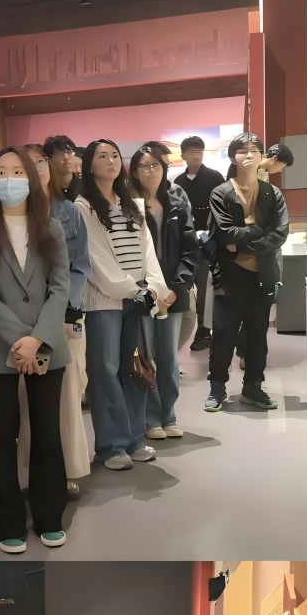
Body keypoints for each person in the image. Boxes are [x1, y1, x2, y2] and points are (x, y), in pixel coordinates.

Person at [0, 145, 72, 551]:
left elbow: (60, 287)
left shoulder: (51, 227)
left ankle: (49, 515)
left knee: (47, 432)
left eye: (17, 171)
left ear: (31, 178)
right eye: (1, 172)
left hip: (47, 343)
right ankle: (7, 520)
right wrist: (20, 338)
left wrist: (37, 338)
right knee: (0, 434)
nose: (9, 179)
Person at [70, 138, 166, 472]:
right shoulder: (82, 207)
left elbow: (148, 251)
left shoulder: (133, 204)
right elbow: (93, 257)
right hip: (104, 301)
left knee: (135, 369)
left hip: (138, 299)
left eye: (114, 155)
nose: (111, 161)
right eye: (102, 156)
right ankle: (111, 446)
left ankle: (136, 439)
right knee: (105, 371)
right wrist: (130, 289)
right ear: (89, 164)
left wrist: (152, 288)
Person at [205, 134, 286, 412]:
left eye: (254, 150)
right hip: (230, 274)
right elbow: (225, 232)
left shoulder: (272, 193)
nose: (249, 155)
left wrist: (242, 244)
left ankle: (253, 386)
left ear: (262, 156)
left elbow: (280, 233)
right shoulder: (220, 193)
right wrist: (259, 233)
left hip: (262, 274)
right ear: (232, 157)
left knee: (257, 336)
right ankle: (217, 388)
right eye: (242, 151)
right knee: (223, 335)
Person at [36, 139, 95, 494]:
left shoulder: (70, 211)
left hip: (67, 314)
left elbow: (80, 265)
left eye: (40, 162)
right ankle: (35, 470)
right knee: (31, 402)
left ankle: (69, 468)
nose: (35, 169)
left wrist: (64, 305)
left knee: (71, 392)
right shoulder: (5, 216)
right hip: (26, 320)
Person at [132, 142, 198, 442]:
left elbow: (190, 247)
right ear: (134, 171)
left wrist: (176, 286)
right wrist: (148, 290)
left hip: (173, 291)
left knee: (169, 358)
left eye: (156, 165)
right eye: (144, 166)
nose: (151, 171)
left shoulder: (177, 197)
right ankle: (150, 418)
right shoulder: (127, 202)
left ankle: (169, 415)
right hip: (141, 292)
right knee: (144, 356)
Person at [174, 136, 225, 353]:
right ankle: (183, 330)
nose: (196, 155)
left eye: (199, 151)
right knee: (185, 287)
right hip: (185, 244)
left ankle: (205, 331)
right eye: (191, 152)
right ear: (183, 155)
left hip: (209, 243)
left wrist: (211, 236)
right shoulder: (178, 182)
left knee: (205, 288)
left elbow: (223, 211)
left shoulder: (215, 177)